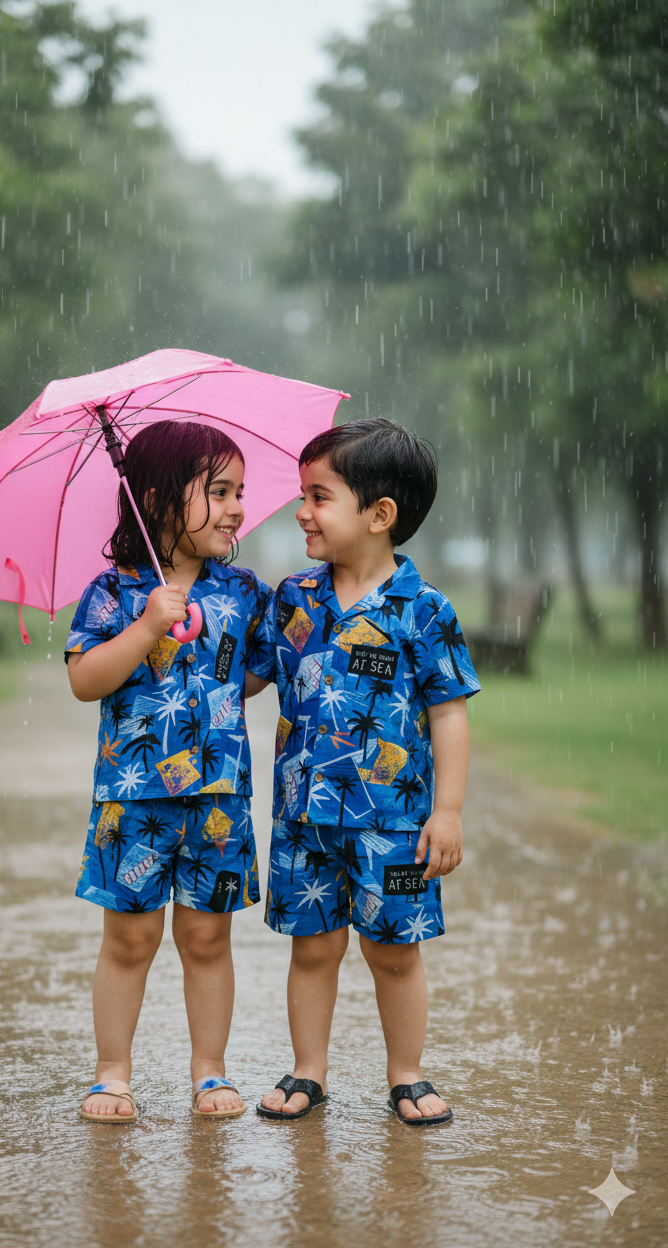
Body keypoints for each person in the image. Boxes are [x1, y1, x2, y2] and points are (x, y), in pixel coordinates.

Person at [256, 418, 480, 1125]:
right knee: (313, 949)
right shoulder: (295, 597)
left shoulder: (423, 611)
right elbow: (249, 680)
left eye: (319, 496)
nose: (301, 511)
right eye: (302, 495)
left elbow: (448, 714)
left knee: (395, 952)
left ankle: (407, 1074)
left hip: (396, 824)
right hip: (303, 818)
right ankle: (307, 1072)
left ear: (379, 515)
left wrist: (447, 812)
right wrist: (188, 630)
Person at [66, 420, 273, 1123]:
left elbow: (251, 676)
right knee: (129, 938)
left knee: (208, 938)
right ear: (155, 499)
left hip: (217, 802)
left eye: (239, 491)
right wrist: (147, 627)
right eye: (218, 491)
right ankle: (112, 1073)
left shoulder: (242, 590)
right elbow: (86, 679)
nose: (236, 508)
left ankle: (209, 1072)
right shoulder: (113, 593)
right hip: (135, 801)